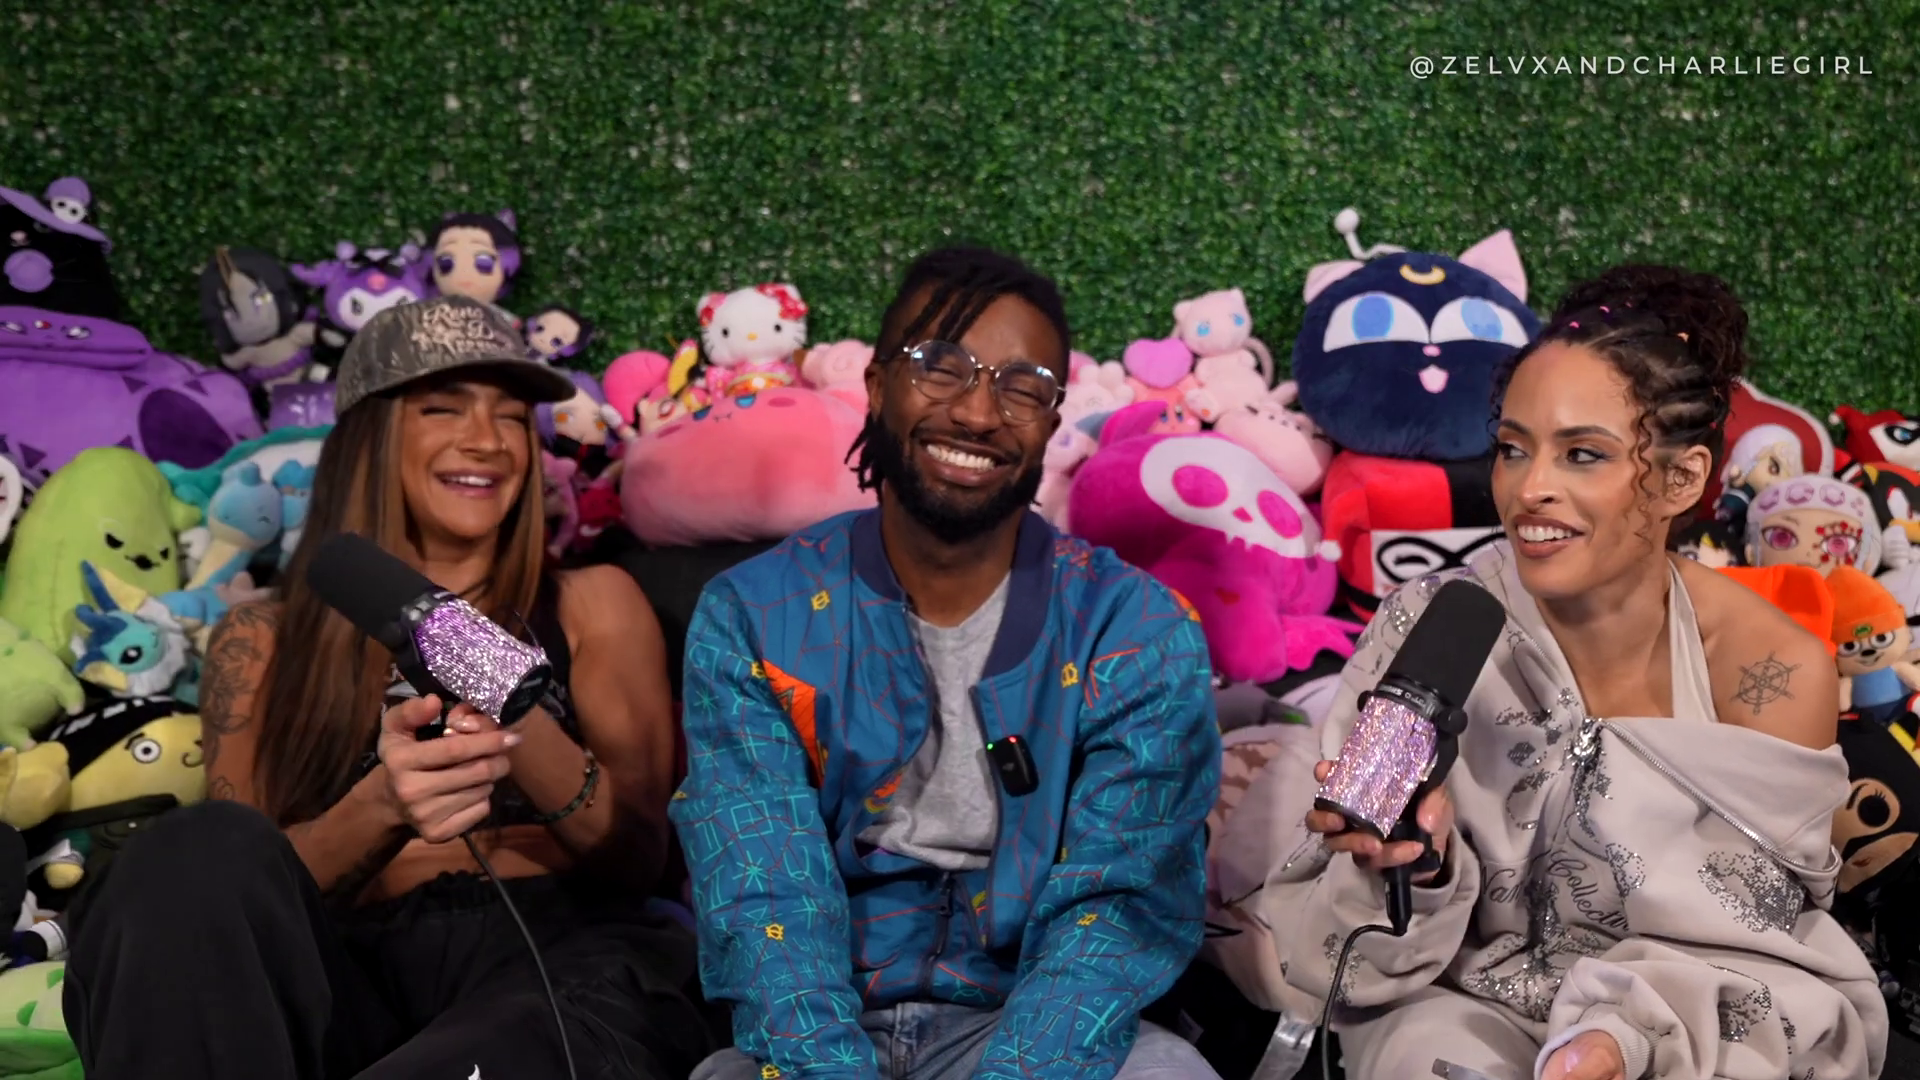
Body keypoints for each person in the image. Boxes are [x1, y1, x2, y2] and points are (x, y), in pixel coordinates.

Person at [1234, 266, 1889, 1079]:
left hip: (1685, 1023)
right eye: (1513, 449)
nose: (1530, 489)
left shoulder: (1773, 667)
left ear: (1681, 478)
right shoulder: (1426, 623)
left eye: (1582, 454)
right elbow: (1348, 948)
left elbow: (1756, 940)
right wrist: (1417, 869)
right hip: (1461, 1005)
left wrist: (1617, 1042)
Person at [63, 295, 716, 1080]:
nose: (487, 440)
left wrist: (496, 695)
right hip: (350, 976)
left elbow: (637, 856)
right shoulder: (261, 637)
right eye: (443, 408)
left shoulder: (594, 602)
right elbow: (240, 903)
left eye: (512, 419)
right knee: (185, 851)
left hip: (561, 958)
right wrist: (383, 806)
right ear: (368, 439)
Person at [672, 246, 1224, 1080]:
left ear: (1053, 421)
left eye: (1023, 385)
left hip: (1030, 1027)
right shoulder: (755, 613)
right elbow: (763, 891)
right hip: (820, 1029)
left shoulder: (1135, 627)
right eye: (941, 367)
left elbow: (1119, 904)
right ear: (877, 385)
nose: (977, 411)